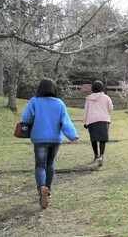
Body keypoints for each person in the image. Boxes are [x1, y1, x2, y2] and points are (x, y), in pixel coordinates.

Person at [22, 78, 79, 209]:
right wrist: (72, 135)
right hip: (55, 139)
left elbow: (26, 118)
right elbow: (66, 121)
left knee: (40, 165)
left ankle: (42, 187)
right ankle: (49, 190)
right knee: (50, 164)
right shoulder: (59, 103)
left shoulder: (34, 101)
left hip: (39, 138)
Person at [83, 80, 113, 166]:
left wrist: (85, 122)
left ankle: (96, 155)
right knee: (103, 139)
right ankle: (101, 156)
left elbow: (86, 110)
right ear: (102, 88)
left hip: (91, 120)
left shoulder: (89, 98)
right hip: (103, 119)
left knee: (94, 139)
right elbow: (110, 108)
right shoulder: (106, 97)